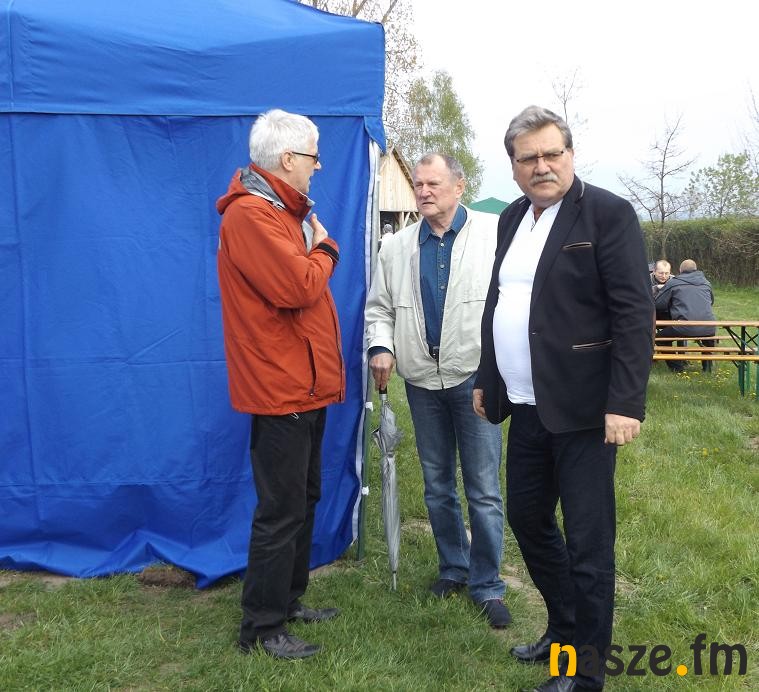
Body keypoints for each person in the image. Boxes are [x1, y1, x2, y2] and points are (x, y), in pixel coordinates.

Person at [473, 106, 653, 692]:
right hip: (527, 406)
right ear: (514, 166)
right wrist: (487, 376)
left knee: (589, 546)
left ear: (570, 155)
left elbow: (634, 314)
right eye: (529, 158)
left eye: (552, 153)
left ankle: (585, 673)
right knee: (527, 519)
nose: (542, 166)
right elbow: (500, 303)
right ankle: (565, 627)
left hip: (585, 413)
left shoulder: (607, 213)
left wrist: (625, 402)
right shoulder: (513, 218)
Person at [216, 109, 343, 660]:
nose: (318, 166)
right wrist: (326, 248)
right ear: (288, 159)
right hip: (281, 386)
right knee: (281, 510)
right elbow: (298, 286)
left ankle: (287, 603)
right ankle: (262, 628)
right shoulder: (251, 215)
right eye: (314, 157)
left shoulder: (279, 212)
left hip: (301, 384)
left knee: (302, 499)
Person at [364, 153, 510, 629]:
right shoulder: (396, 247)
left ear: (459, 187)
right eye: (419, 184)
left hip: (475, 377)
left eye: (433, 184)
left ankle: (487, 584)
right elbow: (379, 308)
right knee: (437, 484)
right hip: (422, 381)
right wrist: (381, 346)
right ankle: (454, 567)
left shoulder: (493, 235)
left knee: (483, 489)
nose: (424, 191)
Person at [654, 259, 716, 372]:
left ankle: (677, 368)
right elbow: (711, 302)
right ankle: (707, 368)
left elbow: (659, 304)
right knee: (708, 339)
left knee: (660, 338)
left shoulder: (674, 282)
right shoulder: (706, 283)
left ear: (680, 270)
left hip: (684, 327)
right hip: (709, 327)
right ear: (696, 269)